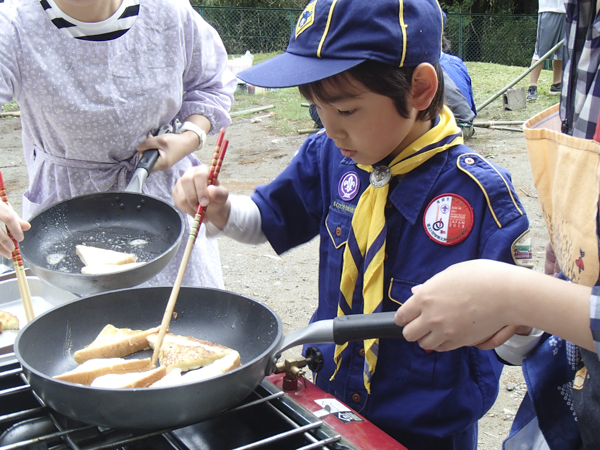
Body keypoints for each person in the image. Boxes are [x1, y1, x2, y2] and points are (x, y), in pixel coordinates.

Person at [172, 0, 532, 448]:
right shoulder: (328, 155)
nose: (331, 128)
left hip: (426, 432)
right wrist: (222, 210)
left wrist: (517, 323)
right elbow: (269, 218)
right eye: (316, 108)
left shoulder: (480, 195)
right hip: (329, 405)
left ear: (419, 89)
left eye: (346, 111)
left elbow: (519, 341)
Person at [396, 0, 600, 448]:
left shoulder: (477, 182)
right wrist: (551, 293)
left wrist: (521, 297)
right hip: (563, 409)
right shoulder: (582, 19)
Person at [0, 0, 237, 287]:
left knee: (182, 322)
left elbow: (210, 83)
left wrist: (188, 138)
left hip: (163, 203)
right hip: (63, 216)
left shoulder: (169, 11)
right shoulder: (13, 26)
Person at [526, 0, 566, 101]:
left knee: (562, 50)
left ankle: (557, 84)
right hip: (549, 9)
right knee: (541, 52)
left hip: (567, 10)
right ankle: (532, 87)